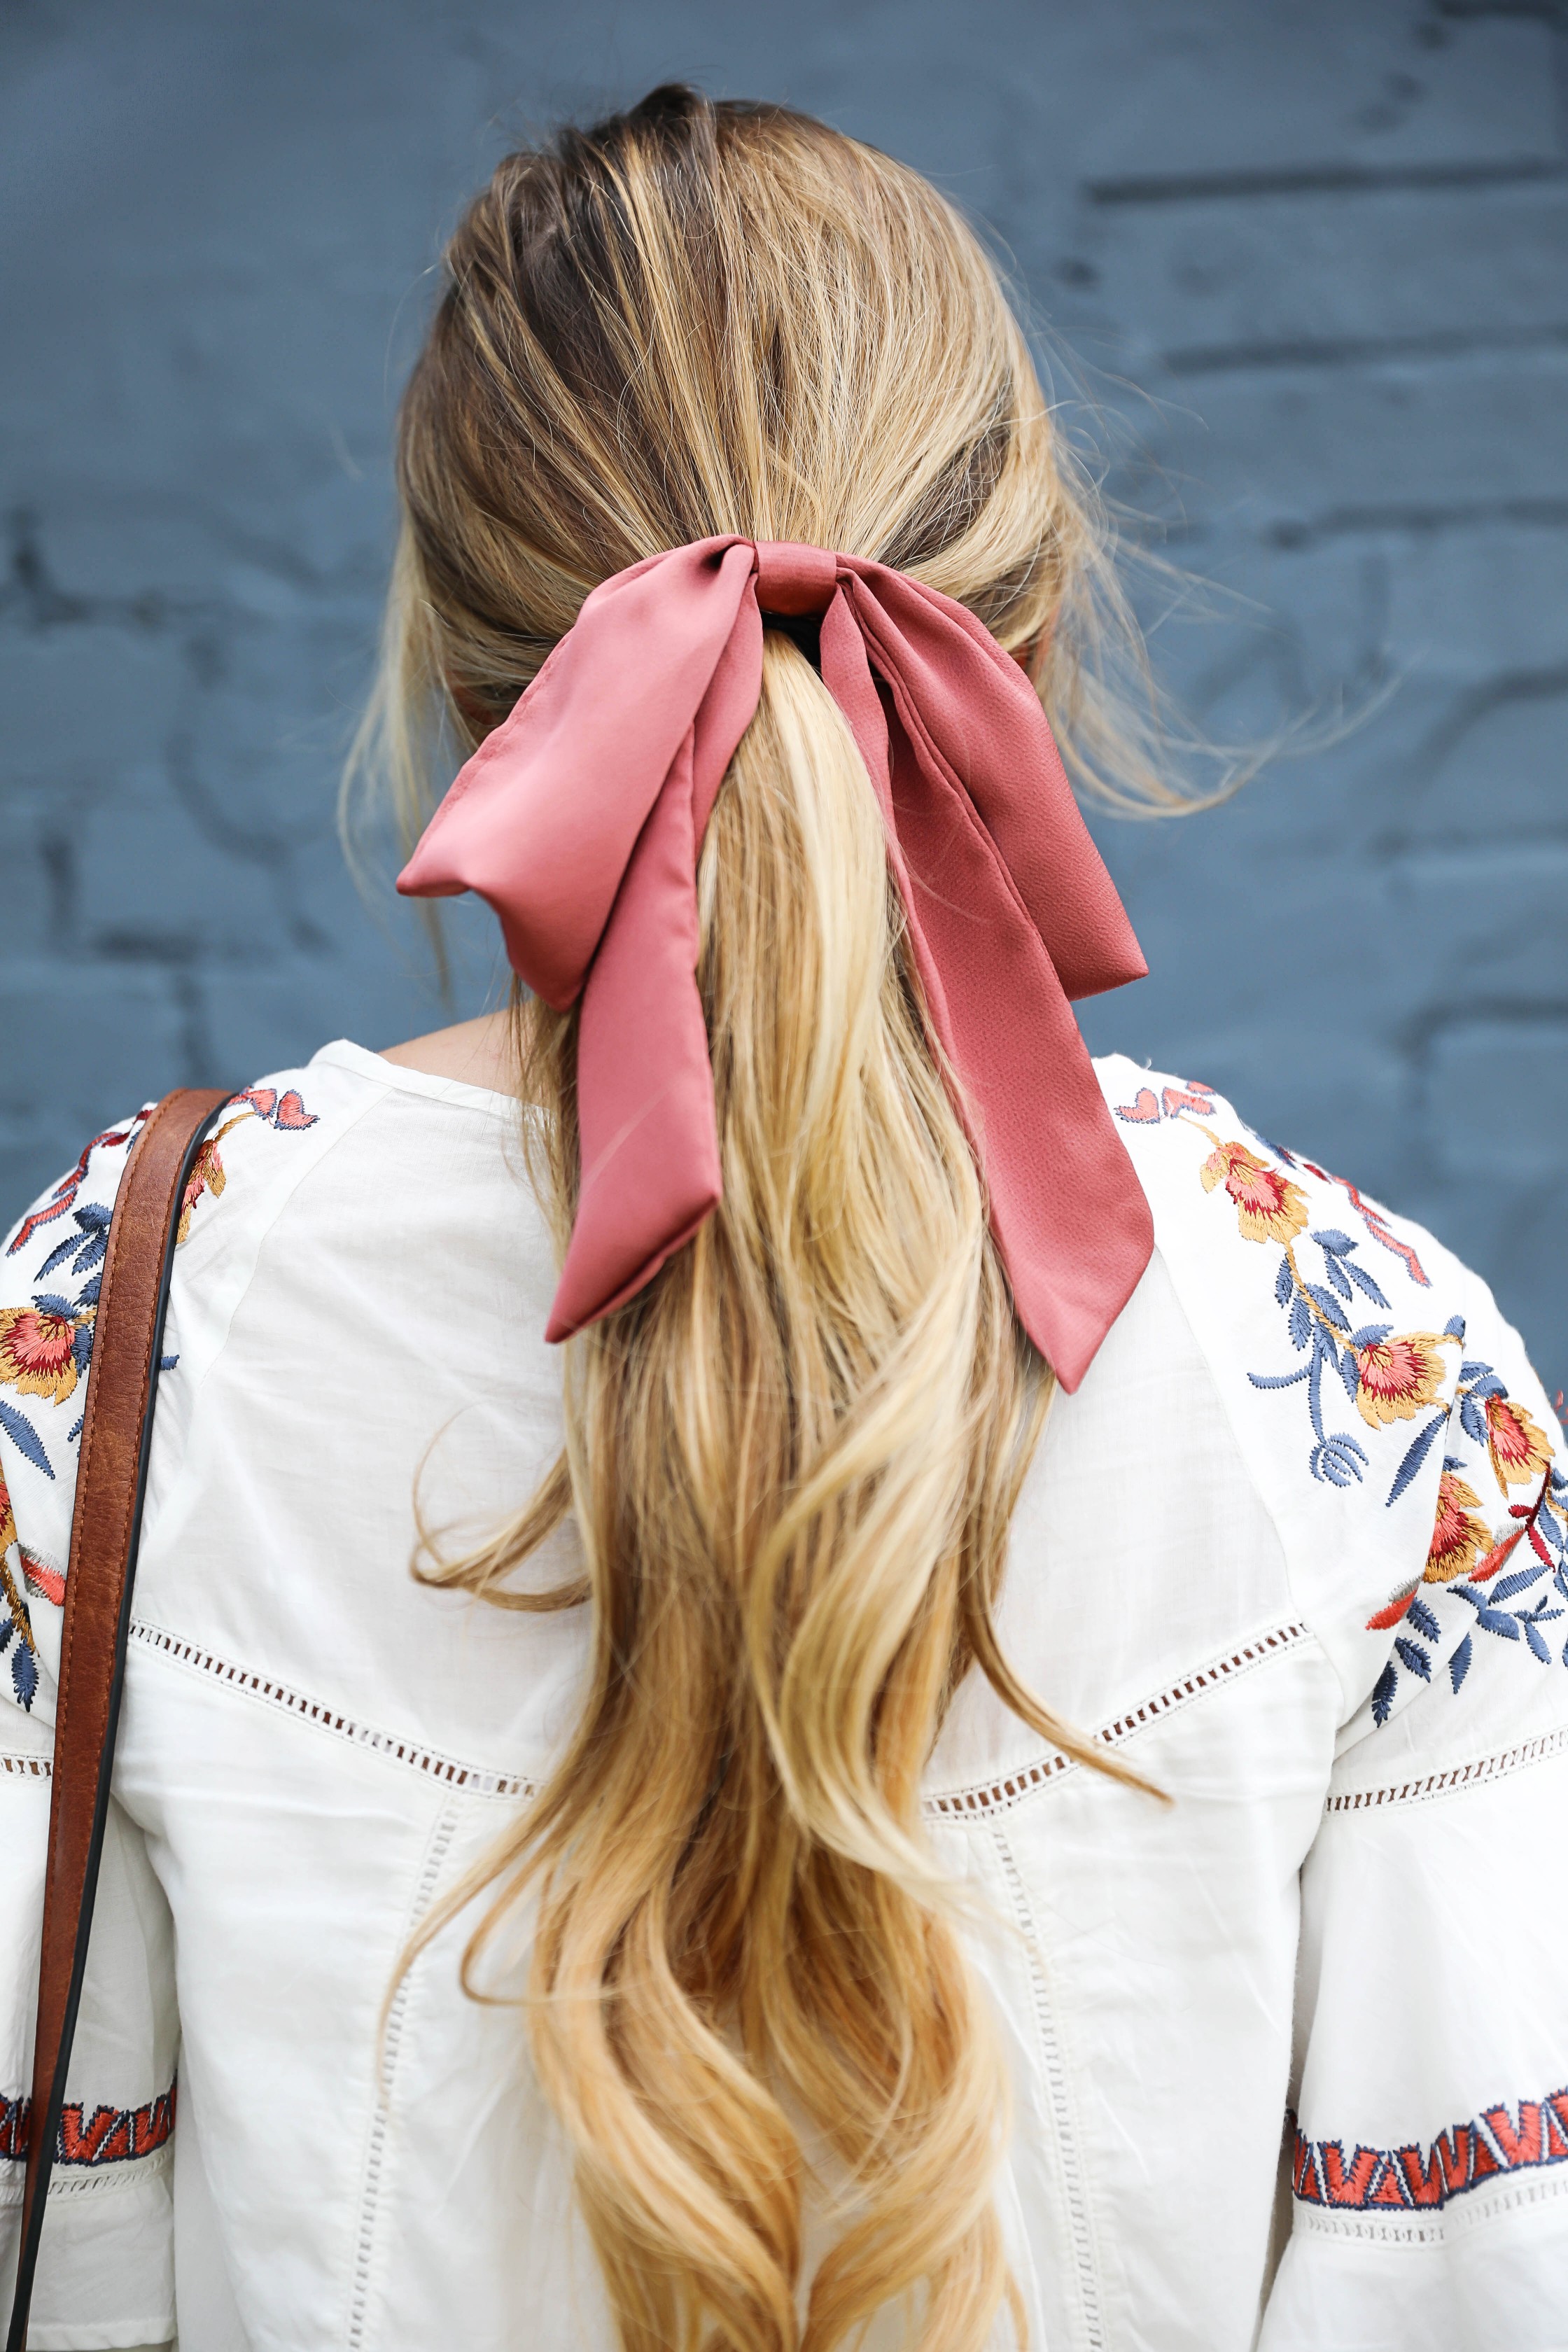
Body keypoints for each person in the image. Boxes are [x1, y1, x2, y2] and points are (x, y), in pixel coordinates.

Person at [1, 83, 1564, 2352]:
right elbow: (1481, 2285)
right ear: (1020, 645)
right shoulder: (1369, 1381)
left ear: (462, 687)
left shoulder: (117, 1339)